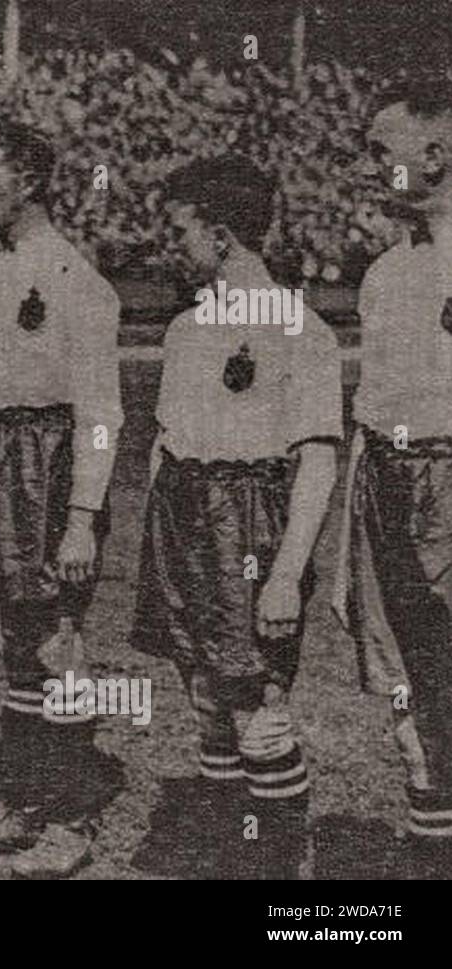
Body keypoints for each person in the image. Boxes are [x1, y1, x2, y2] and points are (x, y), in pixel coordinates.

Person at [132, 155, 341, 878]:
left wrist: (284, 576)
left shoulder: (300, 330)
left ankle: (286, 873)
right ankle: (230, 856)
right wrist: (159, 543)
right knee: (206, 700)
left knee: (258, 712)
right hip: (183, 517)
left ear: (221, 236)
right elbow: (165, 441)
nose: (172, 244)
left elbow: (316, 459)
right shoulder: (186, 329)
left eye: (181, 228)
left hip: (252, 528)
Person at [0, 122, 122, 877]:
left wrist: (81, 517)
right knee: (14, 638)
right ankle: (23, 797)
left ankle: (71, 817)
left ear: (31, 184)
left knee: (57, 638)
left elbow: (102, 411)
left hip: (49, 469)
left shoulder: (78, 279)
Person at [333, 77, 452, 874]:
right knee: (410, 672)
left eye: (385, 151)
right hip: (384, 476)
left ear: (437, 153)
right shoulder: (382, 271)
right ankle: (431, 839)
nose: (373, 166)